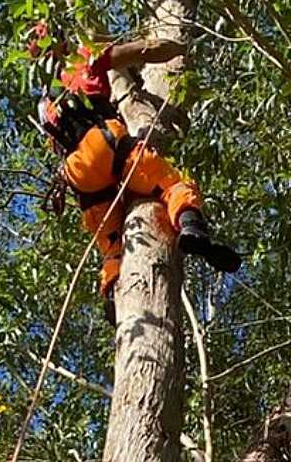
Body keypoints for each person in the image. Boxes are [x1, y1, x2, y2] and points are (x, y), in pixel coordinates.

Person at [28, 23, 242, 321]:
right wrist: (182, 46)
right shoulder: (84, 59)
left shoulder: (43, 103)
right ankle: (192, 226)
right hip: (105, 144)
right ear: (61, 40)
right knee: (170, 183)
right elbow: (147, 50)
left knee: (111, 244)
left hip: (79, 178)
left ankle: (113, 289)